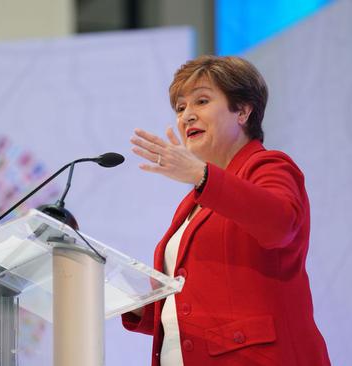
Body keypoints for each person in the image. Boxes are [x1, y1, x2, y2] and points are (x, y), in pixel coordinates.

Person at [125, 55, 330, 366]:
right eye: (180, 108)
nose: (186, 116)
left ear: (243, 111)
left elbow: (279, 224)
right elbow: (204, 294)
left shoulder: (268, 165)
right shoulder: (192, 202)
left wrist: (201, 176)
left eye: (202, 101)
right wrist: (140, 303)